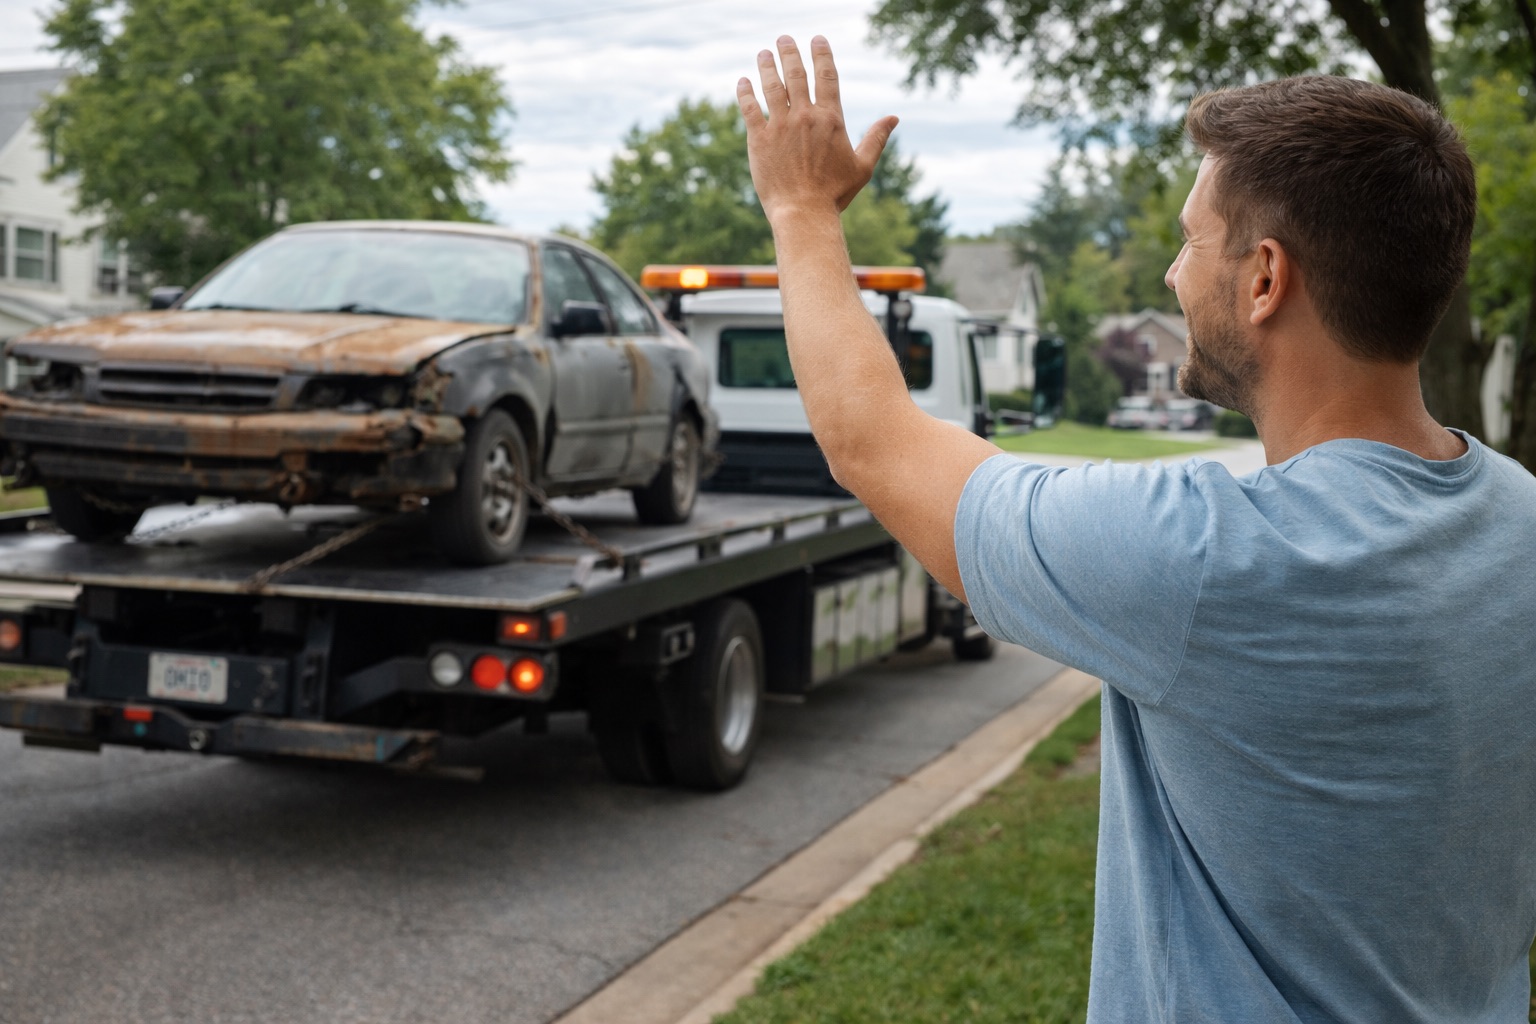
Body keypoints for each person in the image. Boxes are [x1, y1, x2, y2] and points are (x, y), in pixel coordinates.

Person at [736, 36, 1536, 1023]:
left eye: (1193, 239)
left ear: (1263, 279)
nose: (1168, 274)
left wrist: (801, 211)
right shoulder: (1521, 521)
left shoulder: (1208, 559)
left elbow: (875, 444)